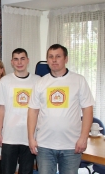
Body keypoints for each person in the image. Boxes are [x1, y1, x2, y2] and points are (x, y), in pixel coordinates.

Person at [27, 44, 94, 174]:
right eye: (50, 57)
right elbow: (32, 111)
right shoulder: (40, 83)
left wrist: (83, 138)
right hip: (45, 145)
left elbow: (87, 110)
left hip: (71, 145)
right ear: (47, 60)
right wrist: (31, 138)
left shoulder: (79, 80)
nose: (54, 60)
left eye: (58, 56)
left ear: (66, 59)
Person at [0, 48, 40, 174]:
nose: (19, 62)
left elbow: (41, 110)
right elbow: (1, 108)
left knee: (26, 171)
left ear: (28, 61)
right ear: (12, 62)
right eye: (16, 59)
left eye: (22, 58)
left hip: (30, 137)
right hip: (10, 136)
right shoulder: (4, 81)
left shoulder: (38, 80)